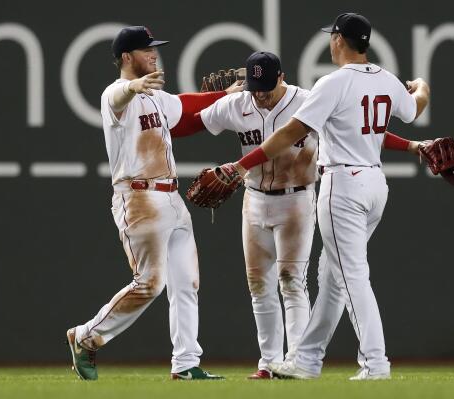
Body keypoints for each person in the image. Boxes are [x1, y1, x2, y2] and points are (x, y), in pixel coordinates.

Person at [223, 13, 431, 380]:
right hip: (375, 185)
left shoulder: (332, 83)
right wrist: (422, 86)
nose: (330, 43)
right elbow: (414, 109)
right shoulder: (385, 80)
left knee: (352, 277)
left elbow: (290, 133)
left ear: (339, 40)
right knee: (333, 278)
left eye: (331, 37)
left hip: (343, 186)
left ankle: (376, 363)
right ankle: (306, 360)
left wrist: (242, 165)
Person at [65, 25, 243, 381]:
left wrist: (225, 95)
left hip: (172, 198)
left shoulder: (157, 97)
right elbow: (118, 97)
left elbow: (187, 106)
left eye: (154, 49)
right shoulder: (115, 94)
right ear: (127, 57)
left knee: (186, 282)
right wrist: (132, 86)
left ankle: (186, 363)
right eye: (146, 50)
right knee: (149, 283)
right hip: (139, 197)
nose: (154, 54)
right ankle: (85, 335)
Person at [174, 51, 317, 379]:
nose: (260, 95)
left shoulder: (307, 102)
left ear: (282, 77)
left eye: (266, 87)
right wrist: (153, 114)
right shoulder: (239, 102)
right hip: (254, 200)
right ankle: (268, 362)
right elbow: (188, 122)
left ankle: (298, 360)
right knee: (258, 284)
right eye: (255, 88)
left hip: (297, 200)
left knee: (292, 281)